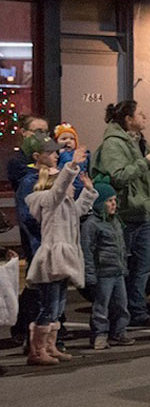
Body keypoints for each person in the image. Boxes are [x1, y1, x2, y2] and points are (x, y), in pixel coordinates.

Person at [91, 100, 150, 330]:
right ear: (128, 119)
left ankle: (138, 311)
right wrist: (145, 163)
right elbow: (119, 176)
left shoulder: (139, 141)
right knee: (120, 268)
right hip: (126, 214)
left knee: (143, 266)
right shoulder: (114, 144)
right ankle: (117, 317)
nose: (144, 118)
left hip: (145, 213)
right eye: (140, 114)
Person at [24, 151, 97, 365]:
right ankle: (37, 351)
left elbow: (80, 210)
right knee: (49, 306)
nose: (73, 187)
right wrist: (71, 167)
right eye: (70, 184)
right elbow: (57, 191)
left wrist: (89, 191)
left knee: (58, 307)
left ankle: (50, 346)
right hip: (52, 259)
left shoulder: (65, 205)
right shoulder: (49, 202)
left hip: (64, 259)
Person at [14, 131, 65, 349]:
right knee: (45, 298)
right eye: (50, 152)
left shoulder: (54, 176)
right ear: (36, 156)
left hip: (58, 245)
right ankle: (36, 345)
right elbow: (28, 217)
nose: (56, 154)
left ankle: (50, 342)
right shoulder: (29, 182)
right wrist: (48, 234)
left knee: (57, 296)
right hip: (42, 246)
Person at [81, 182, 134, 349]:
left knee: (121, 304)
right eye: (109, 201)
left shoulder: (115, 221)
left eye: (114, 200)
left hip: (117, 270)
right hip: (103, 271)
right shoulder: (91, 224)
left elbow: (121, 245)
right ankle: (99, 334)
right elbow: (87, 250)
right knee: (101, 306)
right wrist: (89, 274)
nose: (113, 204)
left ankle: (118, 331)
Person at [54, 123, 90, 197]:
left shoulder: (80, 155)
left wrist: (63, 154)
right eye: (63, 139)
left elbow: (71, 163)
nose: (68, 141)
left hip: (79, 187)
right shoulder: (56, 156)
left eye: (72, 139)